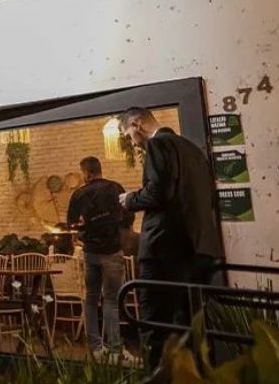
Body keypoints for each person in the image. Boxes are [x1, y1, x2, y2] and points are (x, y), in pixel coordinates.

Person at [117, 107, 225, 371]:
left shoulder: (158, 145)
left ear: (136, 124)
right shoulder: (194, 150)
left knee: (156, 328)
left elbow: (158, 193)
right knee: (192, 330)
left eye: (128, 135)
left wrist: (130, 199)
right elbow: (209, 198)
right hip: (201, 250)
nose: (132, 142)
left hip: (165, 251)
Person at [65, 157, 131, 360]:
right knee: (111, 300)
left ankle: (95, 349)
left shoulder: (78, 194)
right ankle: (115, 350)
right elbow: (128, 216)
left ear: (86, 173)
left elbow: (71, 224)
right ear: (99, 170)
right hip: (112, 251)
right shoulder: (115, 188)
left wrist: (84, 231)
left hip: (90, 252)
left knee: (91, 299)